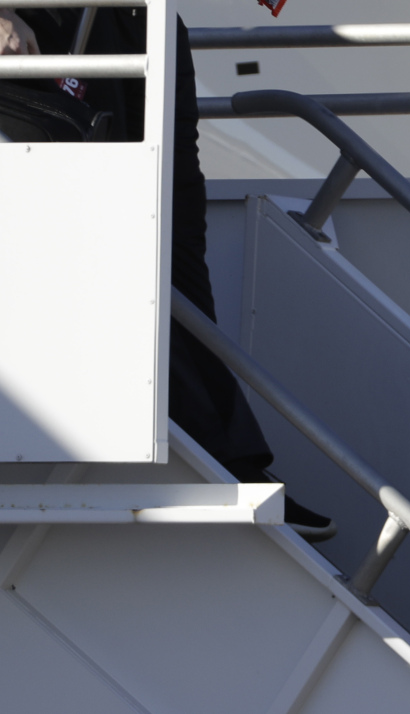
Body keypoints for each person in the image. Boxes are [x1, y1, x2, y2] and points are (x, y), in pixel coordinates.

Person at [1, 7, 335, 542]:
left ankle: (234, 451)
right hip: (62, 20)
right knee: (113, 222)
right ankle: (217, 451)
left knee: (176, 241)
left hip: (148, 20)